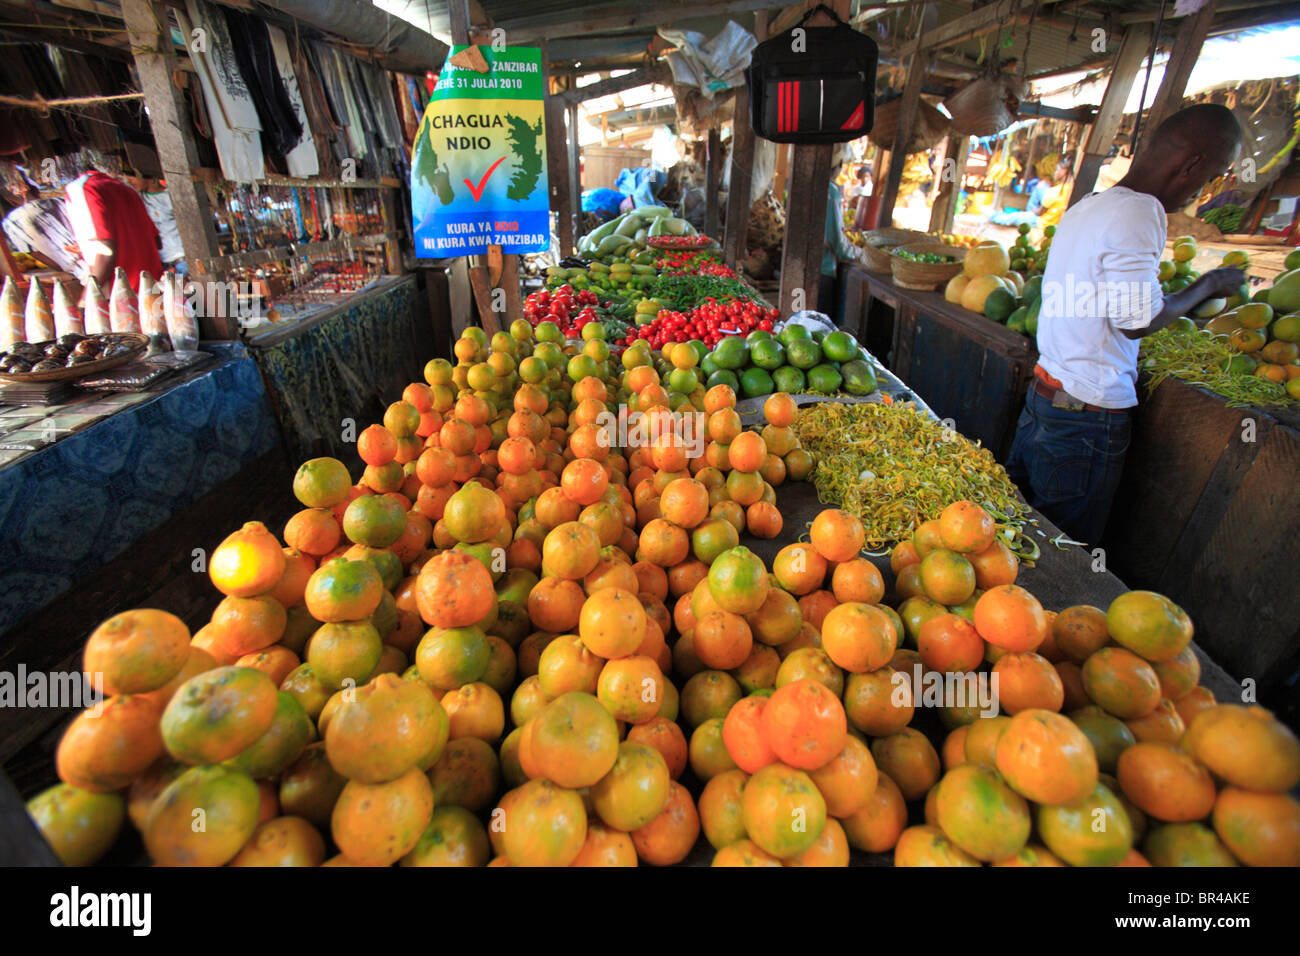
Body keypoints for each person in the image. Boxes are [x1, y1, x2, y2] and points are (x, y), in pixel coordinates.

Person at [1006, 104, 1247, 544]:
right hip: (1085, 417)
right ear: (1192, 165)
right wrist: (1209, 284)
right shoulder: (1141, 212)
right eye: (1212, 174)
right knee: (1067, 553)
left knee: (1024, 538)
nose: (1204, 189)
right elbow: (1137, 320)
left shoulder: (1089, 205)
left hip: (1044, 401)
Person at [64, 165, 163, 293]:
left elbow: (106, 250)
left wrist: (87, 299)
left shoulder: (80, 189)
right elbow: (156, 241)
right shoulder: (126, 188)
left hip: (122, 292)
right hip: (151, 286)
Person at [1, 173, 83, 280]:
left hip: (79, 272)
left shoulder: (12, 223)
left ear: (10, 201)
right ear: (35, 189)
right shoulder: (62, 201)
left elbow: (44, 258)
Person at [124, 172, 185, 273]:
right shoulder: (139, 198)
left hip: (182, 260)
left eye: (132, 176)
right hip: (162, 265)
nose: (129, 180)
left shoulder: (171, 196)